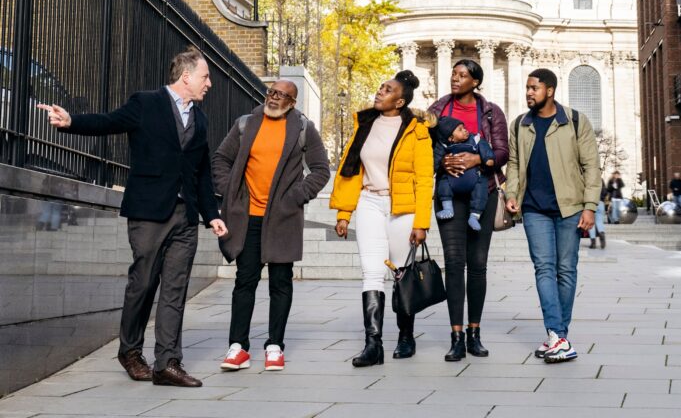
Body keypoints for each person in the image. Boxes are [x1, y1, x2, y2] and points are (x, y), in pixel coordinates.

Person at [38, 47, 227, 388]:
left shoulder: (200, 118)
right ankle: (130, 350)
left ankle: (168, 363)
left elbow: (200, 172)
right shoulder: (146, 103)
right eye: (205, 77)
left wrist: (212, 214)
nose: (209, 84)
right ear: (186, 77)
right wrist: (71, 121)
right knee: (143, 283)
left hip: (186, 217)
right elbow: (109, 122)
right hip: (149, 212)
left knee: (175, 290)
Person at [212, 80, 330, 373]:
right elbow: (221, 160)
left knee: (281, 283)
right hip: (247, 216)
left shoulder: (303, 128)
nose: (274, 98)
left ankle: (275, 345)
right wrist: (231, 192)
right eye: (271, 92)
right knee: (245, 281)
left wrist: (295, 198)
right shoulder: (245, 123)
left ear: (293, 102)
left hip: (283, 218)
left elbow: (320, 170)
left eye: (282, 95)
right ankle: (238, 347)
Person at [331, 71, 433, 367]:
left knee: (401, 274)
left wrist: (421, 223)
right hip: (369, 203)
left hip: (403, 208)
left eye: (387, 90)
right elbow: (350, 169)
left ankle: (405, 336)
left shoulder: (417, 131)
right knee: (371, 272)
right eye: (380, 87)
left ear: (399, 101)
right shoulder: (364, 124)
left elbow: (425, 180)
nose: (379, 92)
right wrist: (344, 212)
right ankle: (373, 345)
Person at [505, 68, 601, 364]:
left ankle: (558, 336)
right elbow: (514, 162)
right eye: (527, 88)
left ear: (550, 90)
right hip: (534, 209)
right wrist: (511, 193)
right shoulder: (520, 124)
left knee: (566, 270)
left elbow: (591, 165)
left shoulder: (574, 121)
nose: (528, 93)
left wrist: (590, 206)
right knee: (544, 269)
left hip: (570, 207)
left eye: (534, 88)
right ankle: (557, 334)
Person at [428, 59, 509, 362]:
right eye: (454, 74)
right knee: (453, 261)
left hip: (482, 194)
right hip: (447, 194)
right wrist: (442, 163)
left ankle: (474, 332)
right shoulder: (437, 111)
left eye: (463, 75)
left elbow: (502, 151)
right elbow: (423, 149)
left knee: (477, 264)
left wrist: (478, 161)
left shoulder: (490, 111)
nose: (455, 78)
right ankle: (456, 335)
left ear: (475, 82)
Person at [433, 117, 495, 228]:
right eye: (460, 129)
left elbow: (484, 146)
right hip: (451, 179)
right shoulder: (443, 145)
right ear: (451, 138)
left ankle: (475, 216)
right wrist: (440, 164)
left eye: (464, 127)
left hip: (474, 177)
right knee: (443, 182)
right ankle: (448, 208)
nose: (465, 130)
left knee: (481, 187)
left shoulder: (475, 139)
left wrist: (487, 158)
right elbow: (436, 160)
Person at [589, 180, 608, 249]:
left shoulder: (589, 178)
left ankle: (593, 243)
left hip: (591, 203)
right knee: (599, 222)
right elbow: (605, 192)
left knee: (591, 223)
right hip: (600, 203)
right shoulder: (601, 180)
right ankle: (601, 234)